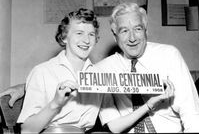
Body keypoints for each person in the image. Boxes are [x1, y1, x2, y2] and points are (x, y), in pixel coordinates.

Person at [2, 7, 173, 133]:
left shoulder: (99, 76)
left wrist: (149, 104)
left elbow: (114, 125)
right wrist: (55, 104)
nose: (86, 40)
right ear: (63, 37)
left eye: (91, 34)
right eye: (79, 33)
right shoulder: (42, 72)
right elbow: (27, 131)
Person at [95, 2, 199, 133]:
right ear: (115, 36)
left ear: (146, 30)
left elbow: (191, 112)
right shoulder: (102, 70)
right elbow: (113, 125)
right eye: (124, 31)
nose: (132, 38)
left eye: (137, 29)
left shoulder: (169, 55)